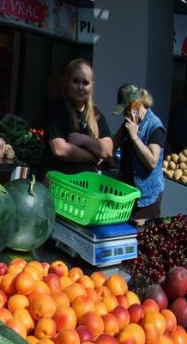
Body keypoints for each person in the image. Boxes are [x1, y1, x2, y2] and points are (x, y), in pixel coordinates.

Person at [41, 58, 111, 177]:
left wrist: (84, 140)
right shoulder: (57, 109)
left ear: (91, 86)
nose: (80, 87)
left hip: (87, 187)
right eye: (76, 81)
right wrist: (92, 157)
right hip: (60, 186)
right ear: (67, 82)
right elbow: (60, 149)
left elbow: (108, 150)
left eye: (85, 83)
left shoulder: (96, 114)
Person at [111, 84, 165, 222]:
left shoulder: (155, 126)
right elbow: (112, 145)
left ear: (136, 104)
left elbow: (152, 161)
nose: (125, 115)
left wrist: (135, 137)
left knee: (143, 239)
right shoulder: (129, 122)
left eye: (126, 110)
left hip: (146, 200)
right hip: (126, 194)